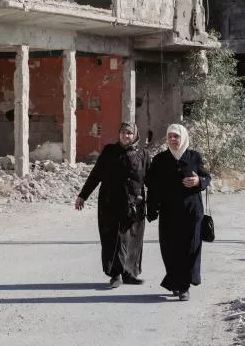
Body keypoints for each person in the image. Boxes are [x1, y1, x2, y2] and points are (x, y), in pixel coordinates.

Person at [74, 123, 149, 289]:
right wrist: (83, 196)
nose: (125, 136)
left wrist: (158, 202)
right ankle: (115, 275)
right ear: (119, 134)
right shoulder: (109, 151)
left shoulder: (143, 153)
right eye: (123, 132)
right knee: (113, 239)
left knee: (133, 238)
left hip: (134, 204)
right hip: (110, 203)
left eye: (129, 133)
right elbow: (96, 175)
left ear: (135, 135)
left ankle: (129, 273)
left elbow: (151, 179)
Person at [145, 123, 211, 301]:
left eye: (176, 136)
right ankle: (175, 281)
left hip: (191, 211)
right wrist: (151, 208)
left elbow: (207, 177)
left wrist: (198, 181)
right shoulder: (160, 159)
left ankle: (184, 286)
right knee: (169, 249)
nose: (173, 139)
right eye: (170, 136)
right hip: (169, 211)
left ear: (183, 138)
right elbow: (152, 185)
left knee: (190, 248)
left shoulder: (194, 156)